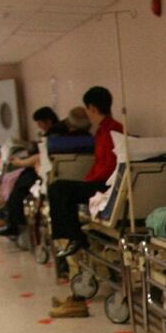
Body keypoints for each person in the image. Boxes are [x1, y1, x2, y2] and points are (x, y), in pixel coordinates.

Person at [47, 87, 123, 318]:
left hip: (105, 185)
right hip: (99, 181)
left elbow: (107, 167)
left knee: (58, 188)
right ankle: (72, 236)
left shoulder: (111, 131)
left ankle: (73, 237)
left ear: (92, 108)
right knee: (61, 190)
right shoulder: (105, 130)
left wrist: (87, 183)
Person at [0, 106, 87, 237]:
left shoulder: (57, 138)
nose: (38, 126)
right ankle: (9, 213)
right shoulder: (87, 139)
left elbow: (42, 156)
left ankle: (12, 219)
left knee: (21, 180)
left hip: (53, 172)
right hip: (66, 171)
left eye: (40, 123)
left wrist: (22, 163)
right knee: (20, 177)